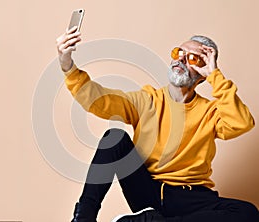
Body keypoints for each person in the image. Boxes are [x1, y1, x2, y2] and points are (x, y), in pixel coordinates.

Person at [56, 26, 259, 222]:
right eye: (179, 52)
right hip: (148, 193)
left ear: (203, 72)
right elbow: (99, 100)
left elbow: (241, 122)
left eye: (192, 58)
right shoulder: (147, 99)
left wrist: (215, 75)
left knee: (248, 212)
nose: (180, 59)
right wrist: (67, 65)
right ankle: (83, 217)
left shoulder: (210, 112)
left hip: (192, 197)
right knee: (114, 138)